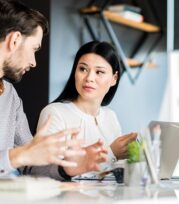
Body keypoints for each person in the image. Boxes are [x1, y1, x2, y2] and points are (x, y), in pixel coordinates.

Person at [0, 0, 97, 179]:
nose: (34, 62)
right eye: (34, 49)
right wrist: (18, 156)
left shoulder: (10, 95)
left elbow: (30, 162)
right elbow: (23, 156)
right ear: (14, 40)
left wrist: (66, 169)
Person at [37, 41, 137, 179]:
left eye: (99, 72)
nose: (89, 78)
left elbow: (116, 170)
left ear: (114, 78)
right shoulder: (54, 113)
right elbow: (48, 172)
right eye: (83, 69)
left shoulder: (110, 116)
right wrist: (111, 153)